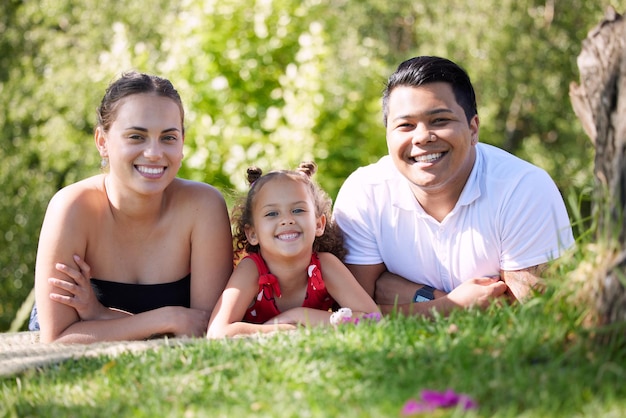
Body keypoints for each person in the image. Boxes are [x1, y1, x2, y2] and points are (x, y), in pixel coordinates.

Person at [332, 56, 575, 317]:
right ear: (388, 136)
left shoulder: (523, 189)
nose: (423, 137)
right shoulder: (364, 192)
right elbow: (352, 313)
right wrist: (447, 304)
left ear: (473, 129)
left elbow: (533, 314)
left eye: (440, 121)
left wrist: (402, 293)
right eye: (405, 125)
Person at [30, 71, 233, 343]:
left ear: (182, 142)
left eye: (168, 137)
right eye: (136, 136)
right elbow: (57, 339)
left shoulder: (203, 207)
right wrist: (168, 318)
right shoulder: (72, 208)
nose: (154, 152)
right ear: (102, 142)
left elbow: (204, 327)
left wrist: (100, 314)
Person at [207, 162, 379, 338]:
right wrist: (287, 329)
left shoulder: (325, 265)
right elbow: (217, 333)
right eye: (272, 213)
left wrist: (297, 315)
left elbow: (373, 319)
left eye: (298, 210)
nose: (287, 220)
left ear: (319, 225)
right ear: (252, 233)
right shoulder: (251, 270)